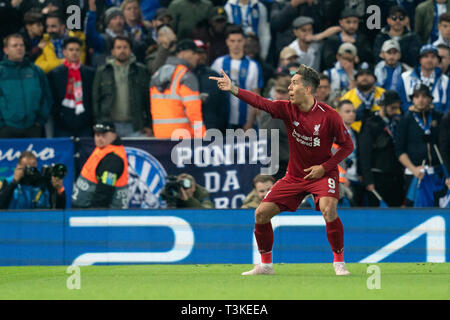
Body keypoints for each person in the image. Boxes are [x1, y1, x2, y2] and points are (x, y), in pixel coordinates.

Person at [209, 64, 354, 276]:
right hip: (295, 175)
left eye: (294, 83)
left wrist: (324, 168)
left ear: (308, 89)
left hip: (323, 173)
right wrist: (233, 89)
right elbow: (262, 102)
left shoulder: (329, 116)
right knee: (261, 214)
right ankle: (266, 265)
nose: (290, 87)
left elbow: (347, 146)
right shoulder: (287, 109)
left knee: (328, 209)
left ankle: (339, 262)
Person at [93, 36, 152, 138]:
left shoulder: (141, 70)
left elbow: (148, 99)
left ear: (130, 50)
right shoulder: (102, 71)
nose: (122, 50)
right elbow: (95, 99)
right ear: (112, 51)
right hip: (109, 126)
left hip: (135, 126)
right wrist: (99, 123)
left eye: (125, 47)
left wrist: (148, 124)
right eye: (118, 47)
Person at [395, 83, 444, 206]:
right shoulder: (405, 120)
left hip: (437, 173)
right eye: (416, 97)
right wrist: (413, 169)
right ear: (412, 99)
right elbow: (399, 151)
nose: (420, 100)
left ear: (430, 98)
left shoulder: (439, 117)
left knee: (437, 208)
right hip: (415, 174)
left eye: (424, 96)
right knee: (416, 210)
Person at [150, 38, 206, 138]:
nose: (197, 57)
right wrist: (202, 137)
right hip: (183, 138)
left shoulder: (157, 74)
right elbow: (194, 112)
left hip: (160, 137)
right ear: (183, 53)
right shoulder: (186, 76)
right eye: (194, 53)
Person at [211, 25, 263, 130]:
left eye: (239, 41)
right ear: (227, 42)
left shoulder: (253, 66)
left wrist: (250, 123)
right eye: (233, 41)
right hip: (222, 120)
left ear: (244, 41)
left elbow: (256, 96)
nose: (236, 44)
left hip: (245, 121)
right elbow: (214, 93)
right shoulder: (218, 63)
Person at [0, 33, 52, 138]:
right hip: (6, 129)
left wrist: (40, 120)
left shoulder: (36, 71)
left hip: (33, 128)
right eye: (15, 46)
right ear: (6, 50)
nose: (19, 48)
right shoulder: (1, 72)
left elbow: (46, 97)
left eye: (21, 45)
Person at [359, 90, 404, 207]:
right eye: (392, 108)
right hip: (377, 176)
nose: (395, 111)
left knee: (396, 212)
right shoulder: (370, 124)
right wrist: (368, 179)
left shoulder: (398, 123)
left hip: (396, 176)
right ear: (383, 106)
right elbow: (364, 154)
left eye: (397, 108)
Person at [72, 121, 129, 209]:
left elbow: (105, 189)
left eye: (104, 136)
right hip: (84, 209)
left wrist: (96, 213)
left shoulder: (113, 160)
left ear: (114, 135)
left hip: (102, 214)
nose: (99, 139)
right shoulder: (103, 148)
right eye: (97, 135)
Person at [48, 37, 95, 138]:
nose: (74, 53)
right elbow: (52, 98)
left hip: (85, 124)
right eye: (71, 50)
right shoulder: (55, 74)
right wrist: (58, 115)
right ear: (64, 52)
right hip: (62, 124)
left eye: (77, 50)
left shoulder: (89, 73)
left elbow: (92, 97)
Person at [0, 151, 66, 209]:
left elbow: (59, 211)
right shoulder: (8, 182)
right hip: (14, 221)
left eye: (33, 168)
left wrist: (59, 190)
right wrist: (14, 183)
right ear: (18, 167)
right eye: (27, 168)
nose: (31, 172)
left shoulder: (42, 183)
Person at [397, 44, 450, 114]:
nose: (429, 60)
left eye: (433, 57)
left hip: (438, 121)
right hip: (411, 120)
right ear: (420, 60)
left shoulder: (446, 81)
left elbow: (448, 105)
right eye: (426, 56)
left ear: (438, 60)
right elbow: (402, 102)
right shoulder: (405, 78)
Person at [193, 39, 229, 134]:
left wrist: (220, 128)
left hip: (211, 129)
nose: (201, 56)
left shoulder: (214, 76)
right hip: (188, 130)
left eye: (203, 52)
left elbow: (224, 105)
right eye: (198, 52)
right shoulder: (183, 75)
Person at [340, 62, 386, 133]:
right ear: (356, 79)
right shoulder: (347, 97)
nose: (364, 77)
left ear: (374, 78)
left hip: (381, 134)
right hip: (355, 135)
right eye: (361, 75)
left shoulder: (384, 94)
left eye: (368, 74)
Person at [334, 100, 362, 207]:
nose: (351, 114)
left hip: (355, 180)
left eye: (353, 111)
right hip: (341, 182)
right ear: (339, 114)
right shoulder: (332, 135)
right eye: (347, 111)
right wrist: (341, 179)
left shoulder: (357, 134)